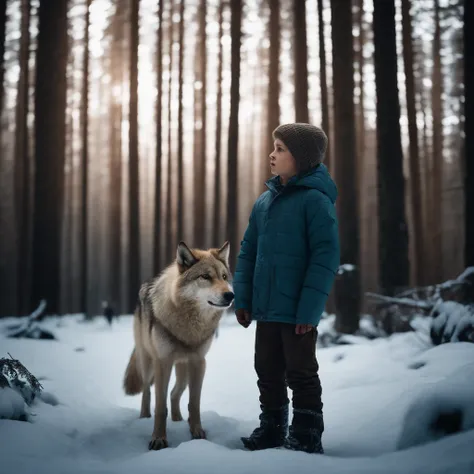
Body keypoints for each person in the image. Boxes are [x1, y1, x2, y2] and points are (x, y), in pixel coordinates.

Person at [233, 123, 340, 454]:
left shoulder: (314, 201)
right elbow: (248, 252)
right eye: (273, 147)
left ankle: (307, 432)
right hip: (266, 309)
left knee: (301, 372)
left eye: (280, 149)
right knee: (266, 369)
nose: (272, 154)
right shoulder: (264, 202)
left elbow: (325, 257)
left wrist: (309, 310)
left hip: (297, 312)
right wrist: (244, 298)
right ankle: (273, 427)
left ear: (302, 158)